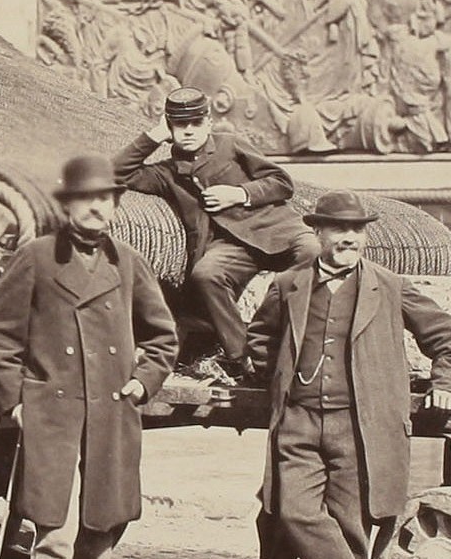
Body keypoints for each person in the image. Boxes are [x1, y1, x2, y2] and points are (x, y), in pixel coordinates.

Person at [246, 189, 451, 559]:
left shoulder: (388, 286)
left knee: (349, 529)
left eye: (356, 230)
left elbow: (446, 337)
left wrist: (447, 381)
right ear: (318, 233)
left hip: (359, 426)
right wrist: (278, 374)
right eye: (337, 229)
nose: (348, 238)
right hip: (299, 421)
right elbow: (260, 339)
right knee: (295, 512)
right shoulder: (288, 284)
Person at [0, 154, 179, 559]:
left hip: (111, 414)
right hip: (55, 414)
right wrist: (17, 399)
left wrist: (142, 382)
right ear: (68, 207)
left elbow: (162, 336)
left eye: (106, 199)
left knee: (102, 519)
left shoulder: (129, 262)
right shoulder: (38, 258)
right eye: (87, 199)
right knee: (55, 525)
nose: (97, 208)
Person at [113, 87, 318, 385]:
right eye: (180, 125)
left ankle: (284, 334)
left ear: (208, 122)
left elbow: (282, 183)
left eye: (196, 123)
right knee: (206, 275)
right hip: (230, 245)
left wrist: (239, 193)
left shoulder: (230, 145)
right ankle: (245, 357)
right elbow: (115, 173)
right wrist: (154, 135)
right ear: (170, 127)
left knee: (312, 250)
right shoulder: (167, 172)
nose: (189, 131)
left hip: (275, 228)